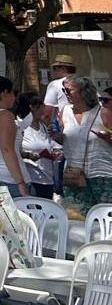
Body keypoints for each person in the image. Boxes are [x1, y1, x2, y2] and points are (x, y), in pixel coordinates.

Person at [60, 77, 112, 213]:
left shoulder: (103, 112)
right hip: (73, 176)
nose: (65, 93)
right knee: (77, 221)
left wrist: (108, 138)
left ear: (83, 92)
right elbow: (65, 139)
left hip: (102, 175)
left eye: (69, 90)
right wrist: (58, 137)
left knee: (106, 219)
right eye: (63, 90)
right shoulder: (65, 112)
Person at [16, 92, 60, 199]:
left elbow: (49, 145)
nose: (44, 109)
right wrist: (29, 155)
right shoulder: (19, 127)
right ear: (33, 107)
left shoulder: (43, 126)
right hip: (31, 180)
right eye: (42, 106)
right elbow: (15, 151)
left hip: (47, 179)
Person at [42, 54, 78, 118]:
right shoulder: (85, 81)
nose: (53, 71)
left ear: (64, 68)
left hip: (67, 123)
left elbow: (48, 111)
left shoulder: (54, 84)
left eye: (55, 68)